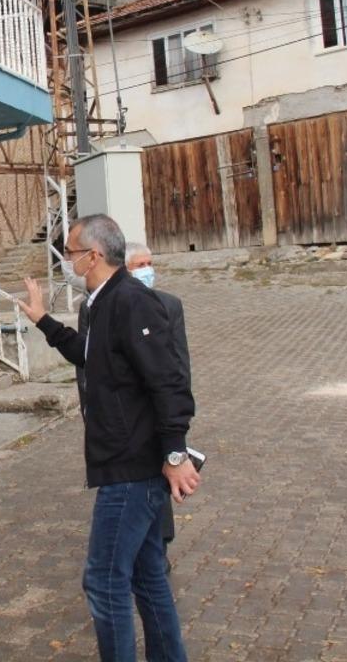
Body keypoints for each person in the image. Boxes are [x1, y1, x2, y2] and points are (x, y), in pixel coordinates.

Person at [19, 215, 199, 662]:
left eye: (71, 252)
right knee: (147, 575)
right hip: (125, 461)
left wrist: (175, 451)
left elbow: (169, 381)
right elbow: (88, 355)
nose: (67, 261)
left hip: (131, 466)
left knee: (103, 579)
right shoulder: (99, 302)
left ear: (94, 256)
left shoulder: (132, 302)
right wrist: (43, 320)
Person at [125, 240, 191, 568]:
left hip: (159, 412)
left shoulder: (170, 305)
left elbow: (180, 364)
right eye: (139, 265)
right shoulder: (96, 308)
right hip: (123, 415)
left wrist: (178, 413)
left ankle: (159, 547)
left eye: (149, 263)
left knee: (161, 476)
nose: (147, 270)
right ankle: (135, 544)